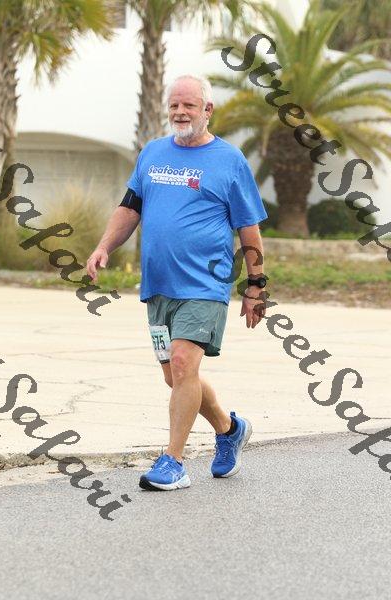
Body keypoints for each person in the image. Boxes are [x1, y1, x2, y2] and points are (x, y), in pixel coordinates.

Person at [86, 74, 268, 491]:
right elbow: (130, 208)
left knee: (184, 363)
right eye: (174, 105)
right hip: (158, 286)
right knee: (175, 377)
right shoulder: (152, 153)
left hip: (206, 285)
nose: (180, 112)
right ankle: (229, 429)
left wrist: (256, 284)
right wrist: (104, 246)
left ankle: (174, 462)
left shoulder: (229, 160)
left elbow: (249, 228)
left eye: (189, 105)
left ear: (208, 110)